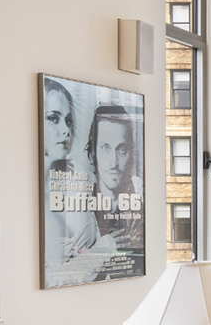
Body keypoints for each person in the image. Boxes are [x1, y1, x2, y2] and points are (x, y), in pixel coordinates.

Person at [42, 77, 100, 269]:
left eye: (68, 121)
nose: (65, 130)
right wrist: (105, 250)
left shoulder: (81, 183)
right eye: (53, 118)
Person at [86, 105, 144, 258]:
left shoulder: (143, 204)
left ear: (131, 155)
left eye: (121, 150)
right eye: (106, 148)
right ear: (93, 154)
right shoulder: (79, 208)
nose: (114, 162)